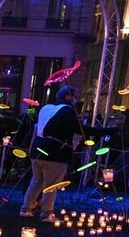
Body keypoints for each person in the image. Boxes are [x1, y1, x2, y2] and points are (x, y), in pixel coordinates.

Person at [20, 85, 114, 222]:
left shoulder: (46, 108)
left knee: (36, 181)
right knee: (51, 185)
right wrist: (107, 131)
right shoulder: (67, 111)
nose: (76, 100)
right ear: (68, 97)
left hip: (37, 151)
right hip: (55, 153)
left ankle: (26, 209)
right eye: (75, 97)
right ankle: (47, 213)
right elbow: (82, 130)